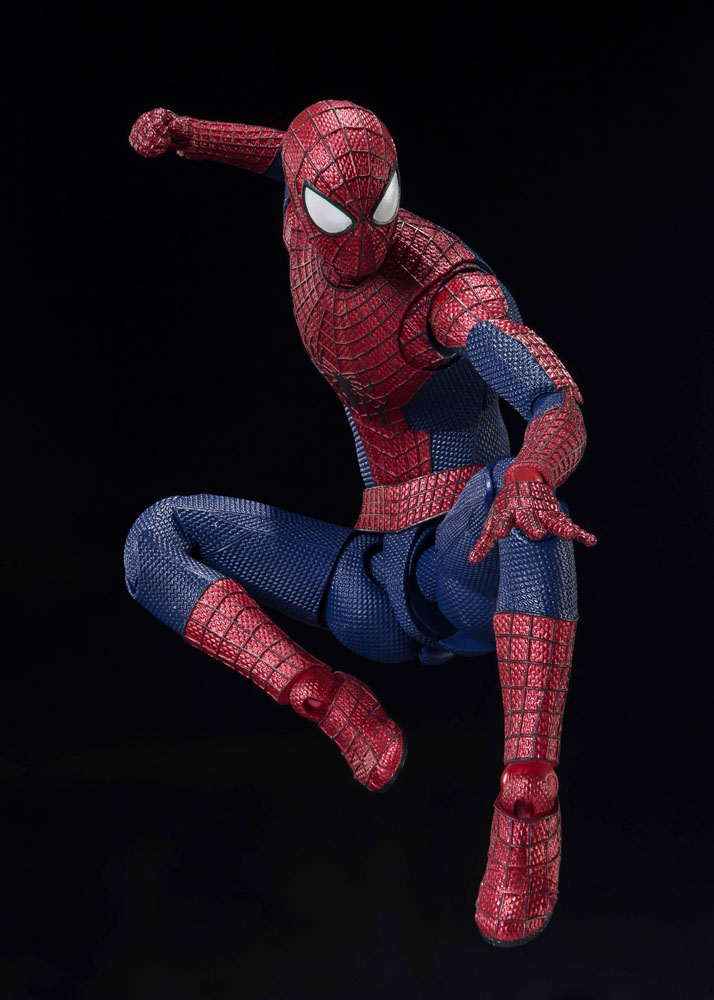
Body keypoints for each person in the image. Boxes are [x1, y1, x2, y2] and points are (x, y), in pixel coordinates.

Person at [125, 99, 596, 946]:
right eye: (338, 214)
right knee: (155, 537)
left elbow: (553, 398)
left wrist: (532, 471)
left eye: (381, 207)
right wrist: (191, 136)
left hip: (462, 557)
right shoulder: (300, 205)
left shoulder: (450, 290)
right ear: (304, 206)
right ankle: (326, 699)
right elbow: (284, 151)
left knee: (526, 508)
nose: (365, 240)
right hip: (364, 582)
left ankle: (529, 796)